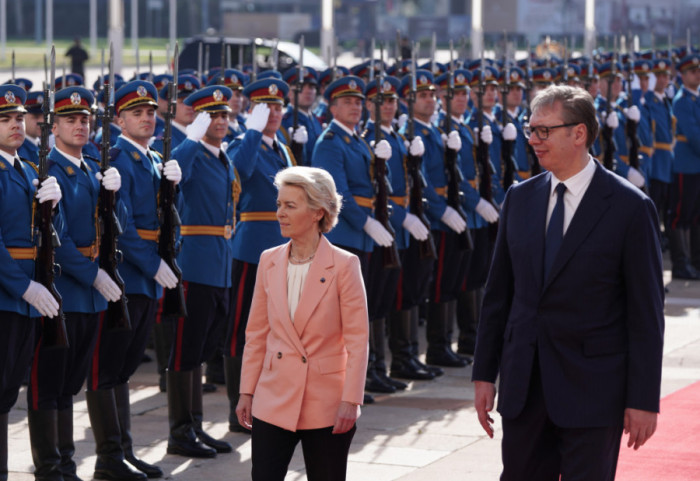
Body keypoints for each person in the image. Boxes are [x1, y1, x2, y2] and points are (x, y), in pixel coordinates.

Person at [472, 85, 664, 480]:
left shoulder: (629, 207)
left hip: (593, 390)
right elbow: (499, 295)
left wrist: (643, 399)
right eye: (530, 129)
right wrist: (483, 373)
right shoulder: (520, 199)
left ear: (579, 134)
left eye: (544, 131)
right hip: (524, 387)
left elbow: (645, 314)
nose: (532, 141)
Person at [236, 166, 369, 481]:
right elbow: (256, 334)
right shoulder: (268, 260)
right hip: (273, 396)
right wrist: (246, 392)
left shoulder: (345, 265)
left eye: (290, 206)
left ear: (316, 212)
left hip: (326, 402)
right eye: (279, 204)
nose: (280, 213)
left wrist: (351, 400)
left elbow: (357, 340)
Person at [27, 86, 124, 481]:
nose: (81, 126)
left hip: (89, 294)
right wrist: (93, 274)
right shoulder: (49, 171)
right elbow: (55, 239)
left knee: (70, 384)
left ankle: (66, 464)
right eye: (71, 120)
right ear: (53, 127)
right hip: (64, 288)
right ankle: (49, 467)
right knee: (47, 383)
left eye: (85, 120)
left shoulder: (90, 169)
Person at [86, 80, 181, 480]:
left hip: (148, 274)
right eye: (137, 113)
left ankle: (123, 451)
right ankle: (108, 458)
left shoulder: (154, 158)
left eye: (150, 112)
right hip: (127, 271)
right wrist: (150, 263)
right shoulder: (119, 159)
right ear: (119, 120)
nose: (146, 118)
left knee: (124, 368)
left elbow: (167, 219)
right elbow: (120, 227)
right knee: (108, 367)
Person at [164, 85, 237, 459]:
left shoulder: (220, 156)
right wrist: (190, 138)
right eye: (213, 116)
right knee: (185, 350)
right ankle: (180, 431)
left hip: (219, 261)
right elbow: (172, 176)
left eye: (225, 115)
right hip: (194, 262)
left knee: (204, 348)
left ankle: (194, 425)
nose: (221, 122)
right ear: (197, 119)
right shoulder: (190, 152)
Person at [0, 84, 64, 481]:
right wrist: (22, 286)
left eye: (20, 119)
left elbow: (40, 235)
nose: (16, 126)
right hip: (8, 294)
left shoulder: (24, 168)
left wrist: (52, 211)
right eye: (6, 120)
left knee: (8, 393)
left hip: (25, 295)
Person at [223, 77, 294, 433]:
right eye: (266, 108)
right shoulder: (244, 143)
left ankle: (265, 401)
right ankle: (238, 408)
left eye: (279, 107)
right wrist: (250, 133)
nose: (274, 114)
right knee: (243, 331)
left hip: (283, 249)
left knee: (277, 330)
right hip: (252, 248)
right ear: (252, 110)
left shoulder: (280, 148)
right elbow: (238, 174)